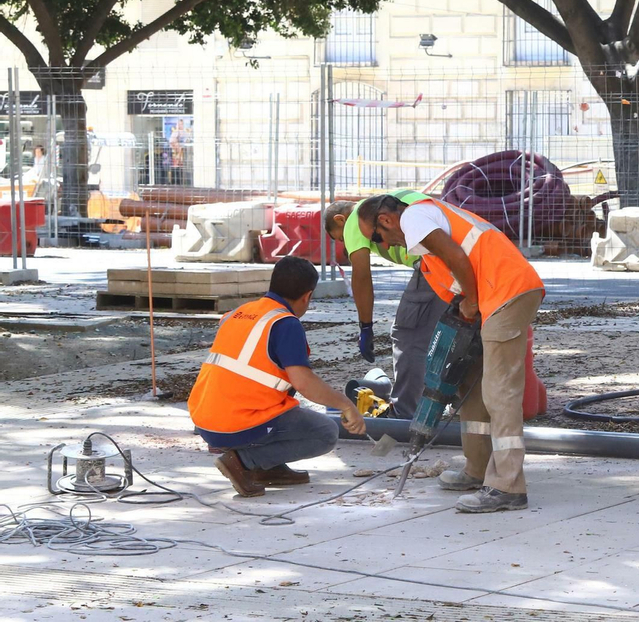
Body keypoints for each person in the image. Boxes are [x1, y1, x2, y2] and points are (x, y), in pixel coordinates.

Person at [359, 193, 544, 514]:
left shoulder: (414, 218)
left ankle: (508, 486)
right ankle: (476, 469)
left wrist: (471, 300)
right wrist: (466, 310)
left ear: (386, 220)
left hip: (505, 291)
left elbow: (458, 257)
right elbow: (456, 279)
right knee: (469, 387)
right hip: (491, 294)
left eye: (378, 238)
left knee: (500, 390)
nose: (385, 246)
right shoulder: (425, 238)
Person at [188, 256, 365, 498]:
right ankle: (243, 461)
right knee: (324, 432)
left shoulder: (238, 313)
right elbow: (304, 383)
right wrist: (345, 405)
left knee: (288, 406)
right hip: (238, 423)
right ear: (307, 296)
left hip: (206, 420)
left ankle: (265, 467)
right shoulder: (285, 323)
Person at [323, 190, 446, 418]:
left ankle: (405, 412)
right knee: (447, 334)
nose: (345, 245)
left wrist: (366, 326)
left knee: (408, 335)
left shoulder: (357, 219)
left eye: (340, 238)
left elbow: (361, 276)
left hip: (433, 261)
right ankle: (447, 399)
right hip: (454, 252)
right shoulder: (385, 205)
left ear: (340, 220)